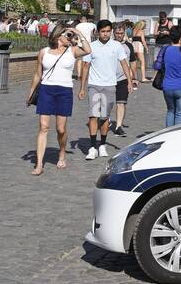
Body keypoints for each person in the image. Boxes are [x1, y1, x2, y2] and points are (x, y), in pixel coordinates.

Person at [27, 24, 92, 175]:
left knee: (60, 129)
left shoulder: (72, 51)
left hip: (64, 91)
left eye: (70, 35)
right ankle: (39, 164)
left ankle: (62, 152)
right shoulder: (44, 52)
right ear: (57, 36)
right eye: (67, 35)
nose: (70, 37)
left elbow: (88, 50)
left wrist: (78, 33)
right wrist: (31, 93)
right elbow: (38, 74)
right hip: (46, 90)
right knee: (43, 127)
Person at [78, 20, 134, 160]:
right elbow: (85, 67)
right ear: (98, 32)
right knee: (93, 115)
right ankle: (92, 147)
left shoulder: (116, 46)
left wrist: (129, 81)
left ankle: (102, 144)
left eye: (108, 31)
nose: (105, 34)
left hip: (109, 85)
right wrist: (82, 88)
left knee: (104, 117)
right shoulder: (91, 47)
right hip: (94, 85)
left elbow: (124, 64)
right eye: (103, 31)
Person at [155, 25, 181, 128]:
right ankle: (176, 137)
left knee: (170, 111)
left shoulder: (165, 50)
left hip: (167, 85)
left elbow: (157, 65)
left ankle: (167, 134)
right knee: (180, 113)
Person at [112, 22, 138, 135]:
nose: (119, 35)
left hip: (123, 78)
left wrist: (134, 78)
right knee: (106, 103)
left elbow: (132, 62)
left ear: (124, 33)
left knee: (121, 102)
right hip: (108, 78)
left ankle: (118, 126)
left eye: (121, 33)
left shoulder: (129, 46)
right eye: (117, 33)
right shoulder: (109, 45)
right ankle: (104, 120)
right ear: (113, 33)